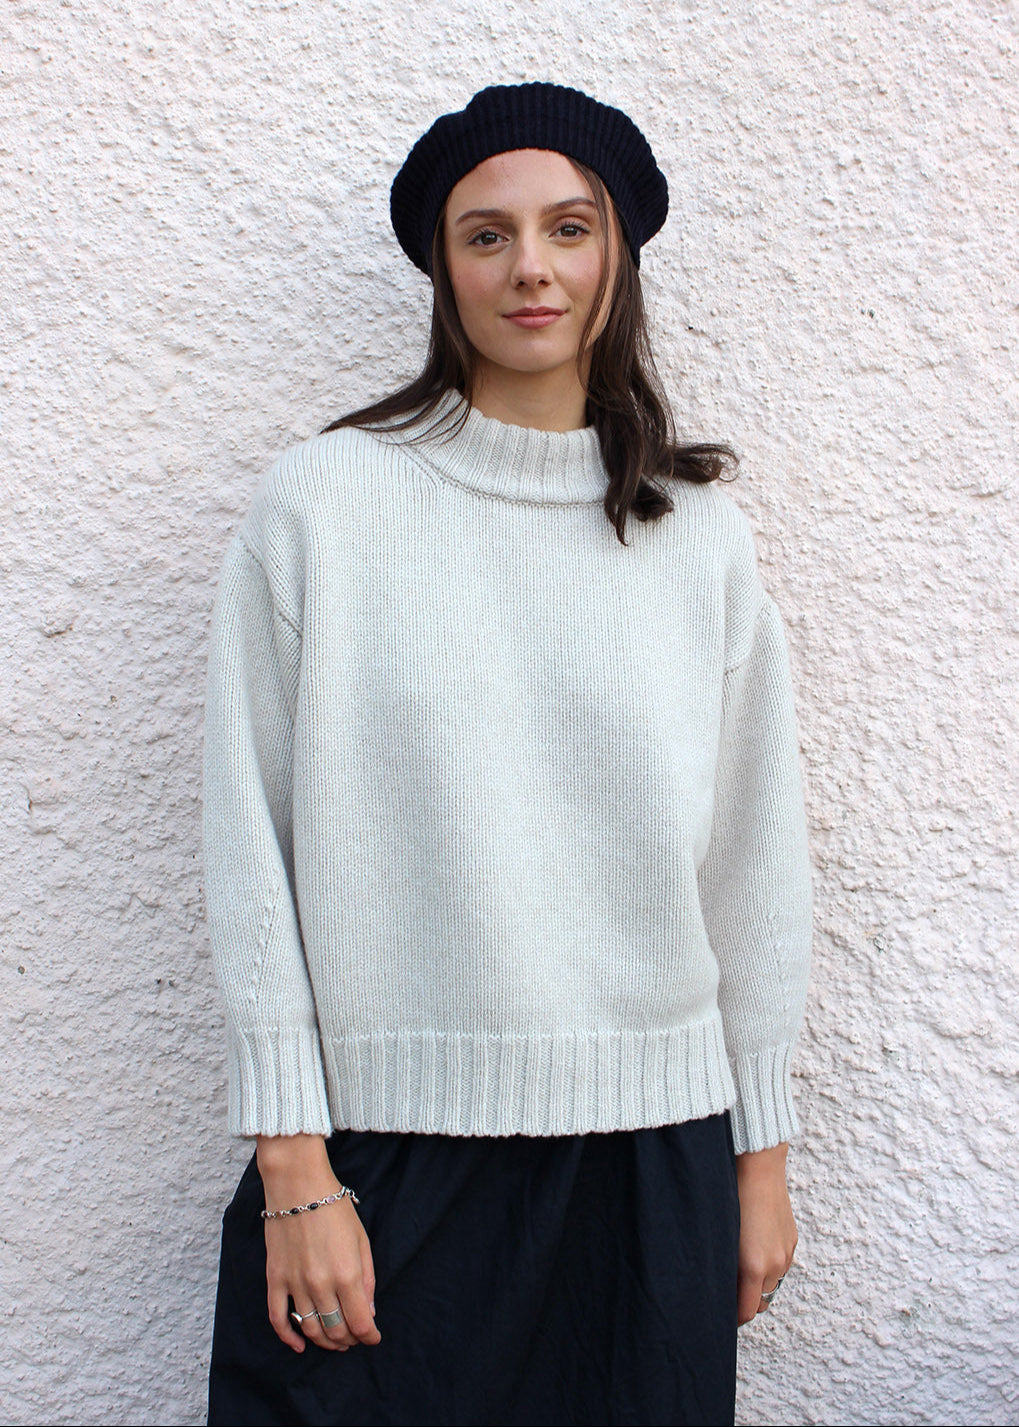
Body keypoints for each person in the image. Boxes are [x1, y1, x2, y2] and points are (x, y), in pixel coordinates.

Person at [202, 81, 813, 1427]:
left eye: (569, 228)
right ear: (442, 266)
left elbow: (754, 859)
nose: (530, 266)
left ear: (617, 259)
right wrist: (294, 1163)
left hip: (647, 1168)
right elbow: (249, 838)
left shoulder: (694, 535)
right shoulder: (324, 507)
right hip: (377, 1166)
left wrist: (756, 1159)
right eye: (487, 235)